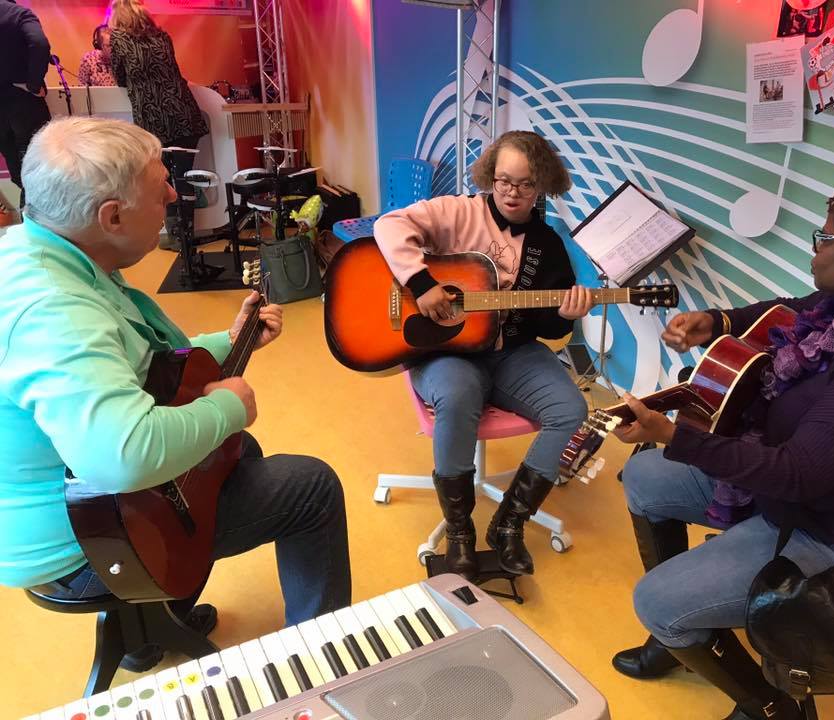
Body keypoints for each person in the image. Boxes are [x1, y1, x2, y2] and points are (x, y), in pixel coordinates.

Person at [0, 117, 351, 671]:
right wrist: (229, 405)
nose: (172, 193)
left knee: (238, 455)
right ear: (111, 217)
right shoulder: (53, 312)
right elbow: (124, 454)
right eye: (159, 185)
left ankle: (147, 633)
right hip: (83, 544)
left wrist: (228, 341)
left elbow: (137, 362)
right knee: (310, 486)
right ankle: (320, 663)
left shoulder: (40, 249)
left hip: (82, 510)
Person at [610, 172, 834, 720]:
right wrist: (719, 321)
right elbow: (791, 309)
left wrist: (678, 436)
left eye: (826, 236)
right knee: (645, 479)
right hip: (785, 491)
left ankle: (770, 708)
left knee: (653, 602)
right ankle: (688, 625)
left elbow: (797, 474)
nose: (816, 248)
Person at [373, 130, 591, 579]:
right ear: (491, 175)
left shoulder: (548, 246)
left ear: (542, 185)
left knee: (571, 408)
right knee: (458, 395)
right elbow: (387, 225)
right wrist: (421, 284)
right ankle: (458, 532)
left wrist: (567, 315)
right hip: (444, 349)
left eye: (526, 184)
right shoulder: (458, 211)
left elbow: (548, 327)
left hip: (511, 353)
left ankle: (509, 524)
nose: (512, 192)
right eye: (503, 180)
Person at [108, 0, 208, 245]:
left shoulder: (119, 40)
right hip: (183, 113)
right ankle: (187, 235)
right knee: (184, 177)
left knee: (160, 180)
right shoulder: (163, 36)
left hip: (152, 120)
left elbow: (121, 79)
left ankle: (173, 236)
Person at [0, 0, 51, 208]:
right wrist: (33, 83)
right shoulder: (19, 13)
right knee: (39, 169)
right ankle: (36, 226)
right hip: (24, 104)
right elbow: (40, 43)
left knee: (18, 172)